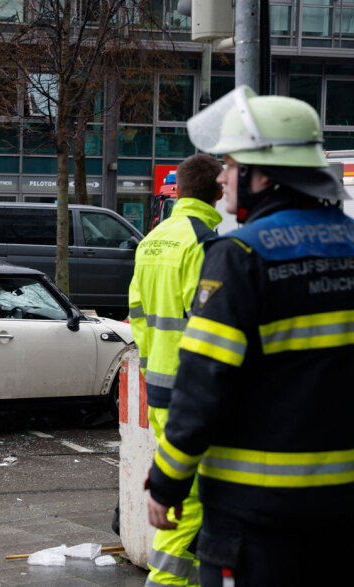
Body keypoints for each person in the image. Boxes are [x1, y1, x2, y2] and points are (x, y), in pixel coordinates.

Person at [146, 87, 354, 586]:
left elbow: (203, 384)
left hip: (255, 513)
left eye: (232, 164)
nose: (222, 177)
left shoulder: (239, 255)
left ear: (266, 176)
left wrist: (167, 483)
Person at [129, 153, 223, 587]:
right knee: (194, 499)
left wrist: (153, 365)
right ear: (218, 193)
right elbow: (210, 330)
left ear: (178, 190)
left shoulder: (153, 239)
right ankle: (165, 582)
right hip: (191, 393)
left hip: (159, 385)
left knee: (178, 489)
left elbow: (136, 313)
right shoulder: (203, 243)